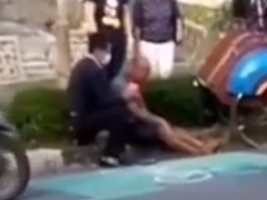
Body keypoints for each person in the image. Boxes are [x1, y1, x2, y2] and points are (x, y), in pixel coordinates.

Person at [67, 46, 219, 167]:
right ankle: (199, 151)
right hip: (132, 124)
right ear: (135, 69)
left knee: (169, 126)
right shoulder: (121, 86)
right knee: (163, 130)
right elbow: (134, 110)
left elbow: (142, 109)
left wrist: (154, 118)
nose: (146, 77)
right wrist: (155, 120)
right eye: (144, 72)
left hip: (137, 120)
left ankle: (201, 145)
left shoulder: (133, 84)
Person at [83, 0, 131, 84]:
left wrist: (129, 36)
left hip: (119, 39)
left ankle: (115, 102)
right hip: (101, 41)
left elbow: (126, 12)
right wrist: (95, 40)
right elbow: (89, 14)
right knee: (100, 75)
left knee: (117, 74)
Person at [132, 0, 182, 79]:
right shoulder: (141, 0)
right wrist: (136, 46)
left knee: (166, 72)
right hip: (148, 42)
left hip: (167, 42)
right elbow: (137, 25)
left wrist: (179, 33)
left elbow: (177, 17)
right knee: (151, 73)